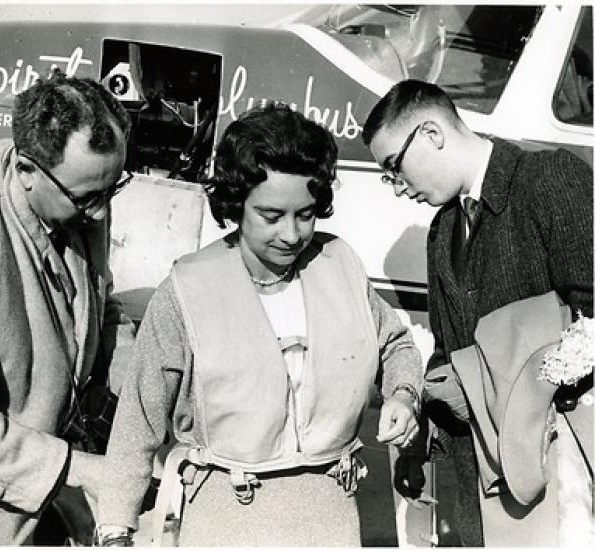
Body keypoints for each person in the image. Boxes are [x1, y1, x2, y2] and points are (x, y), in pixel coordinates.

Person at [95, 103, 424, 546]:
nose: (291, 234)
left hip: (330, 522)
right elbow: (138, 421)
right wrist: (116, 528)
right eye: (271, 216)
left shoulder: (340, 264)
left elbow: (396, 346)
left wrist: (404, 395)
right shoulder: (186, 289)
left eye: (305, 214)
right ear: (236, 204)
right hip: (226, 522)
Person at [362, 79, 593, 546]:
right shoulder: (442, 230)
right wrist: (417, 429)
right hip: (481, 482)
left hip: (561, 472)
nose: (399, 187)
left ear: (431, 133)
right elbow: (449, 352)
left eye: (395, 167)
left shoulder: (548, 178)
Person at [0, 69, 136, 545]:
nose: (99, 214)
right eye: (87, 199)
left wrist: (137, 401)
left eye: (111, 191)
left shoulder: (79, 187)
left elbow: (100, 305)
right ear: (26, 169)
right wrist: (82, 470)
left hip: (47, 493)